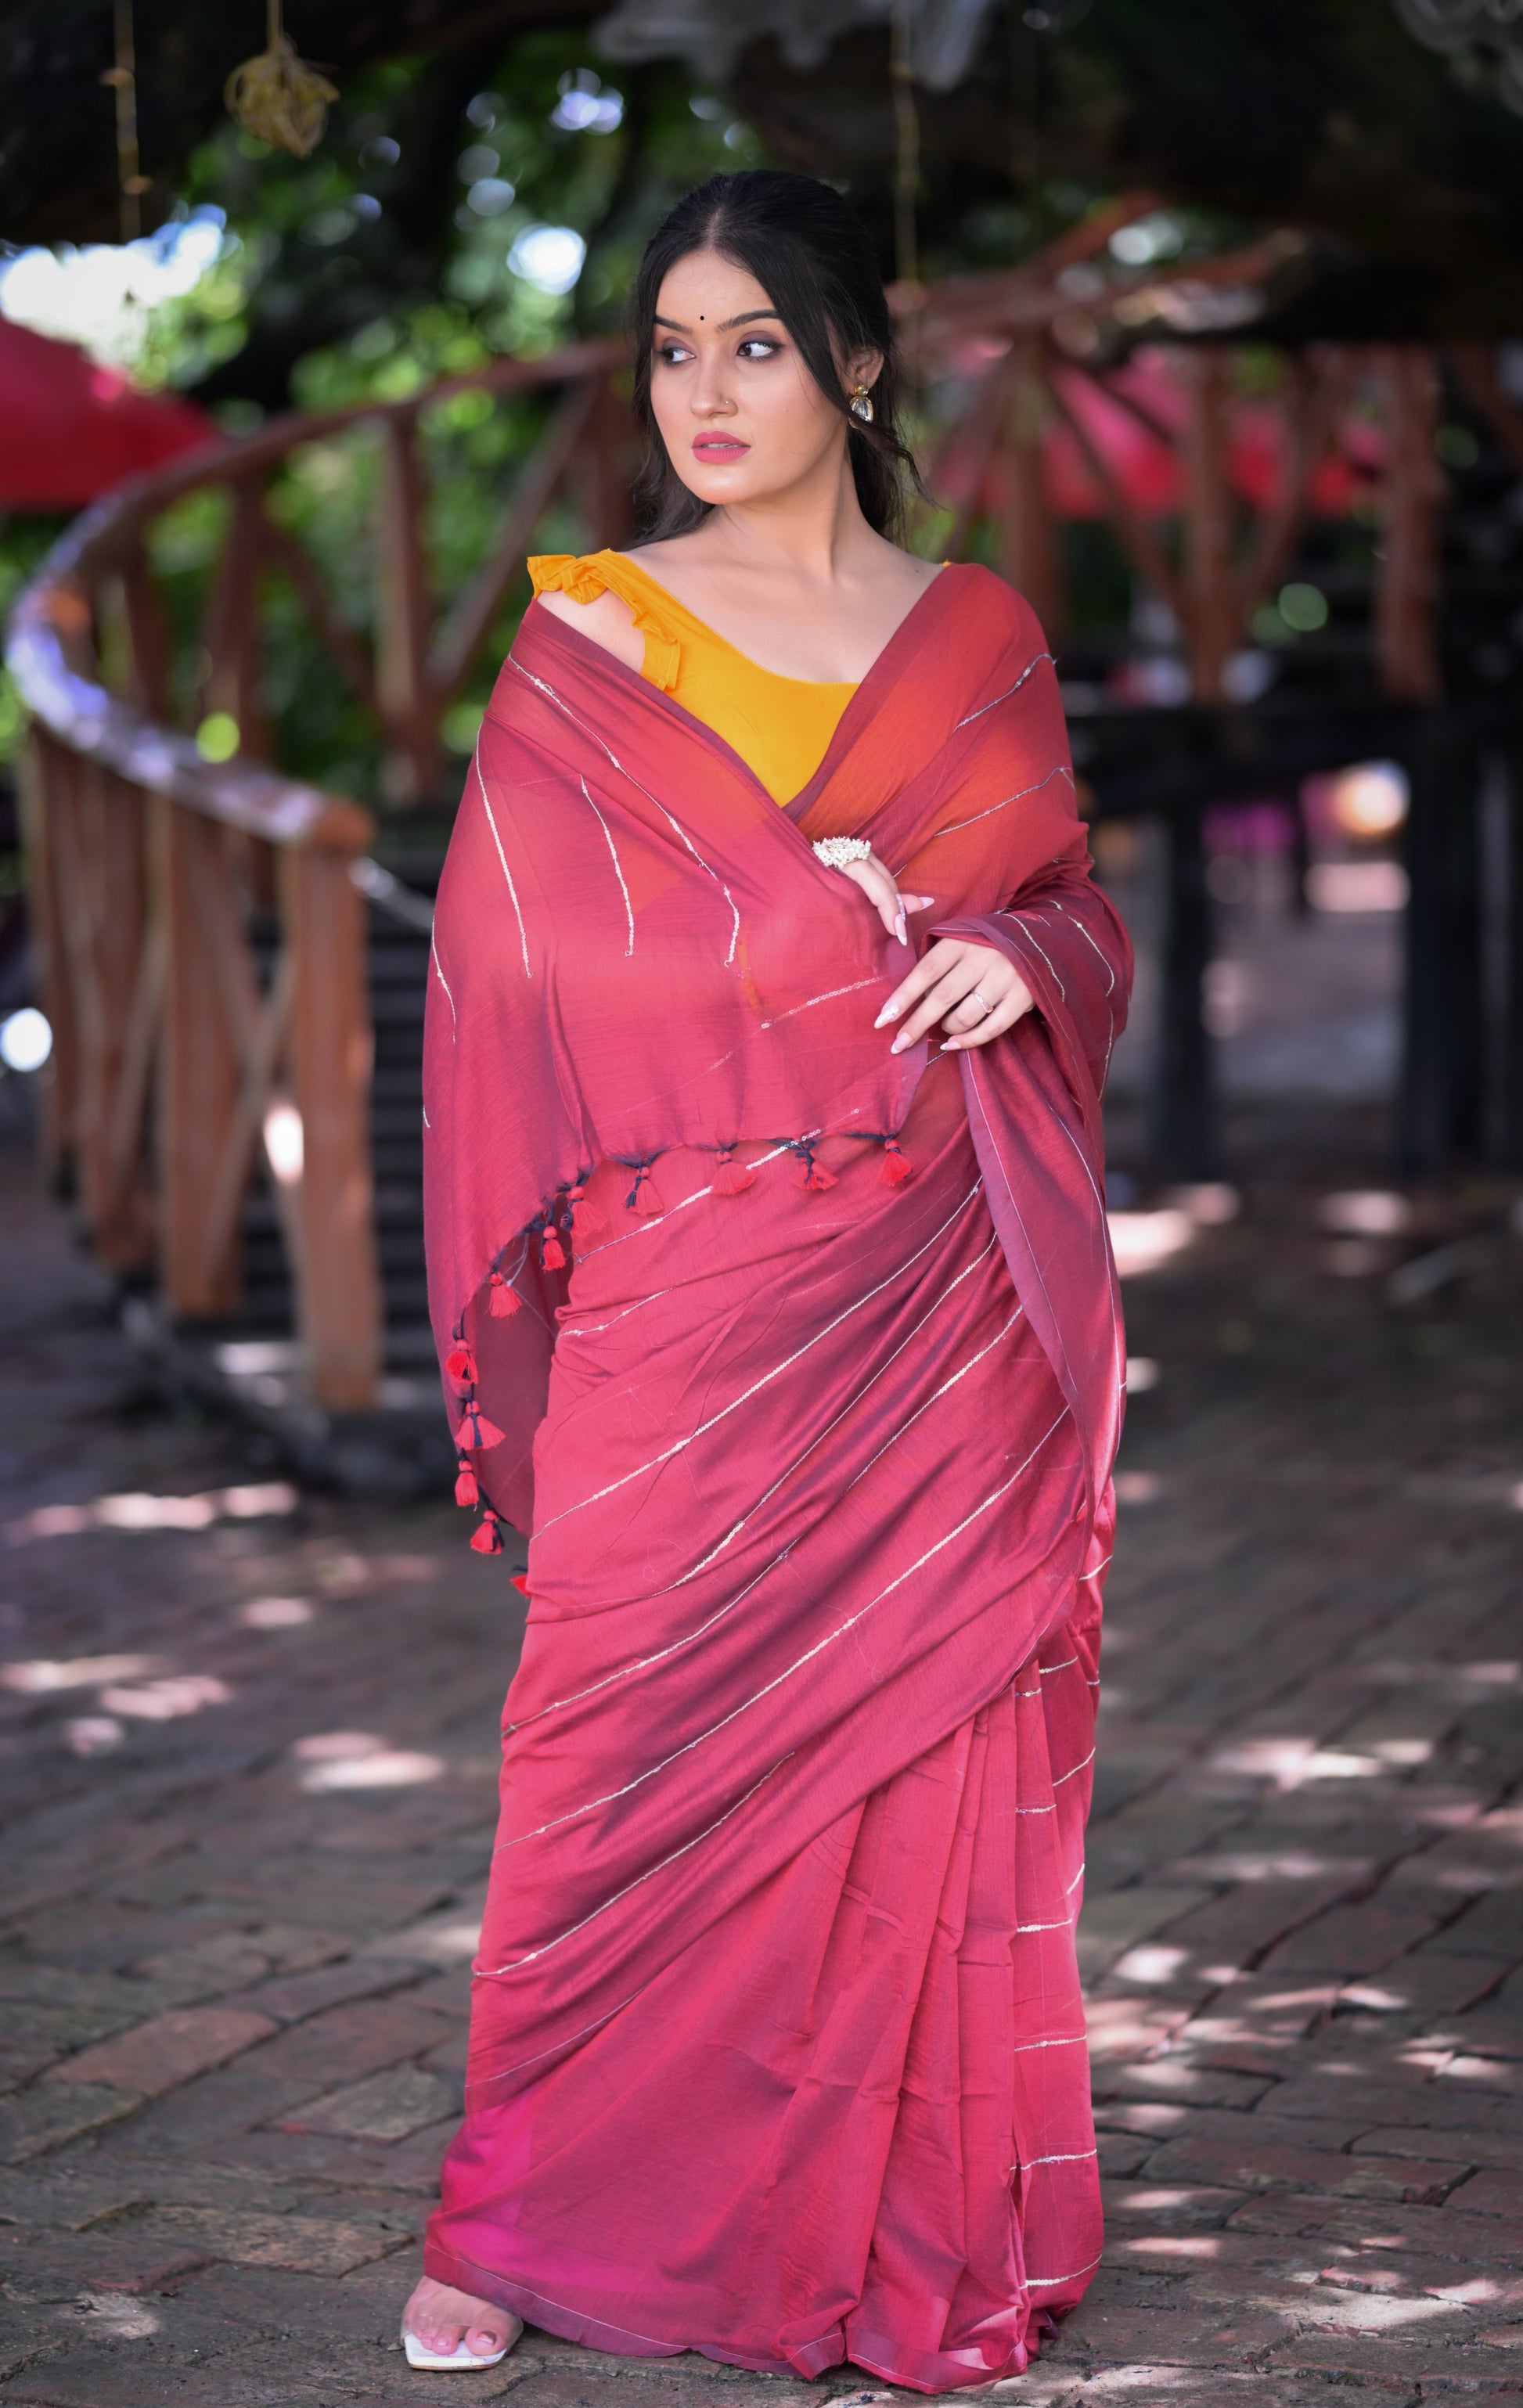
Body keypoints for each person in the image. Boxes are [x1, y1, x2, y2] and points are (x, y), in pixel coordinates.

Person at [405, 167, 1131, 2392]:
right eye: (670, 349)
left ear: (859, 365)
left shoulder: (976, 632)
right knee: (605, 1735)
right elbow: (519, 963)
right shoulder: (598, 631)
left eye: (752, 344)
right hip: (693, 1271)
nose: (702, 393)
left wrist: (1015, 959)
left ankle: (894, 2195)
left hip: (935, 1273)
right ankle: (515, 2214)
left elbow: (1071, 900)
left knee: (919, 1752)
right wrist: (805, 927)